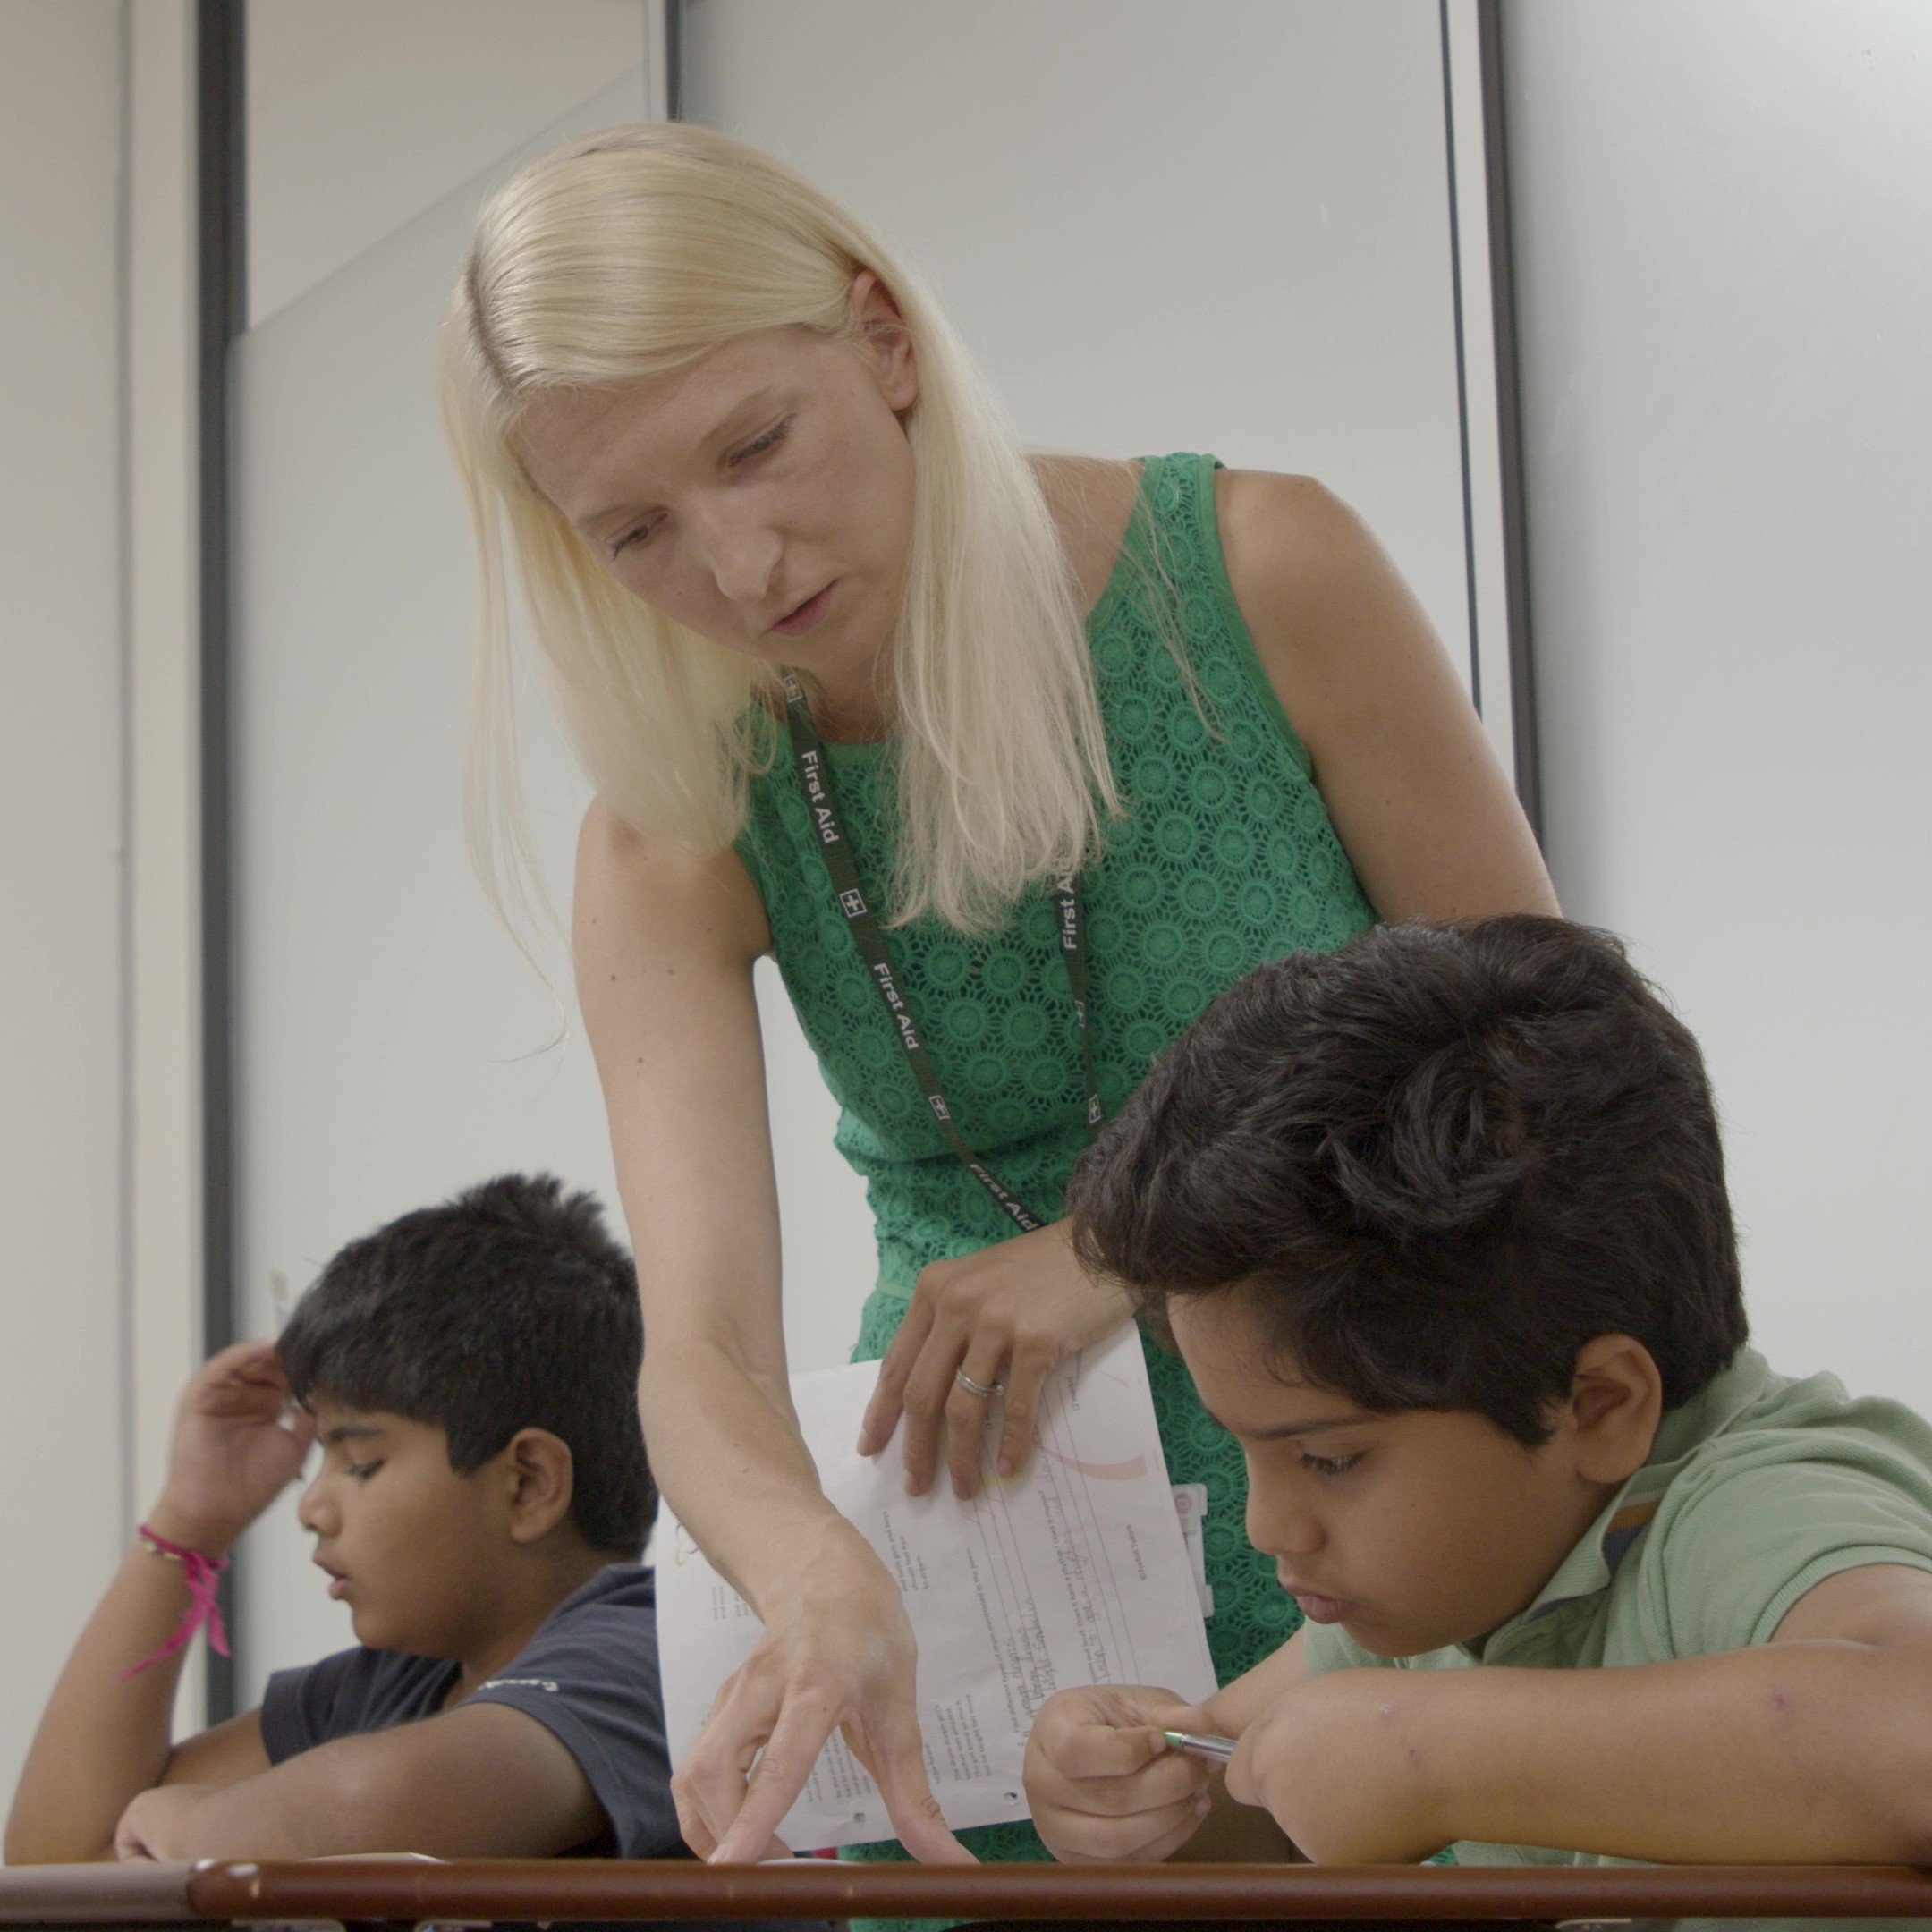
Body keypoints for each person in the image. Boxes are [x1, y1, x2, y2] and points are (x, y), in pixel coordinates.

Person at [437, 119, 1559, 1872]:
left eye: (756, 444)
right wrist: (811, 1569)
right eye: (636, 531)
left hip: (1394, 1487)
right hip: (996, 1564)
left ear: (882, 338)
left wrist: (1122, 1245)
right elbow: (702, 1355)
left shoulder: (1259, 576)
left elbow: (1555, 1064)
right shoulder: (679, 815)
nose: (740, 567)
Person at [1027, 917, 1932, 1930]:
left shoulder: (1761, 1509)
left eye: (1329, 1459)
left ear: (1599, 1406)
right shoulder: (1456, 1581)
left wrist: (1437, 1756)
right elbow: (1261, 1797)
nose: (1268, 1526)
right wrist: (1138, 1796)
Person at [5, 1173, 812, 1930]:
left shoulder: (650, 1653)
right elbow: (59, 1858)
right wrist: (188, 1523)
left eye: (359, 1462)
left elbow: (364, 1807)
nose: (312, 1507)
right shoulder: (387, 1686)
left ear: (528, 1483)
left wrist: (183, 1823)